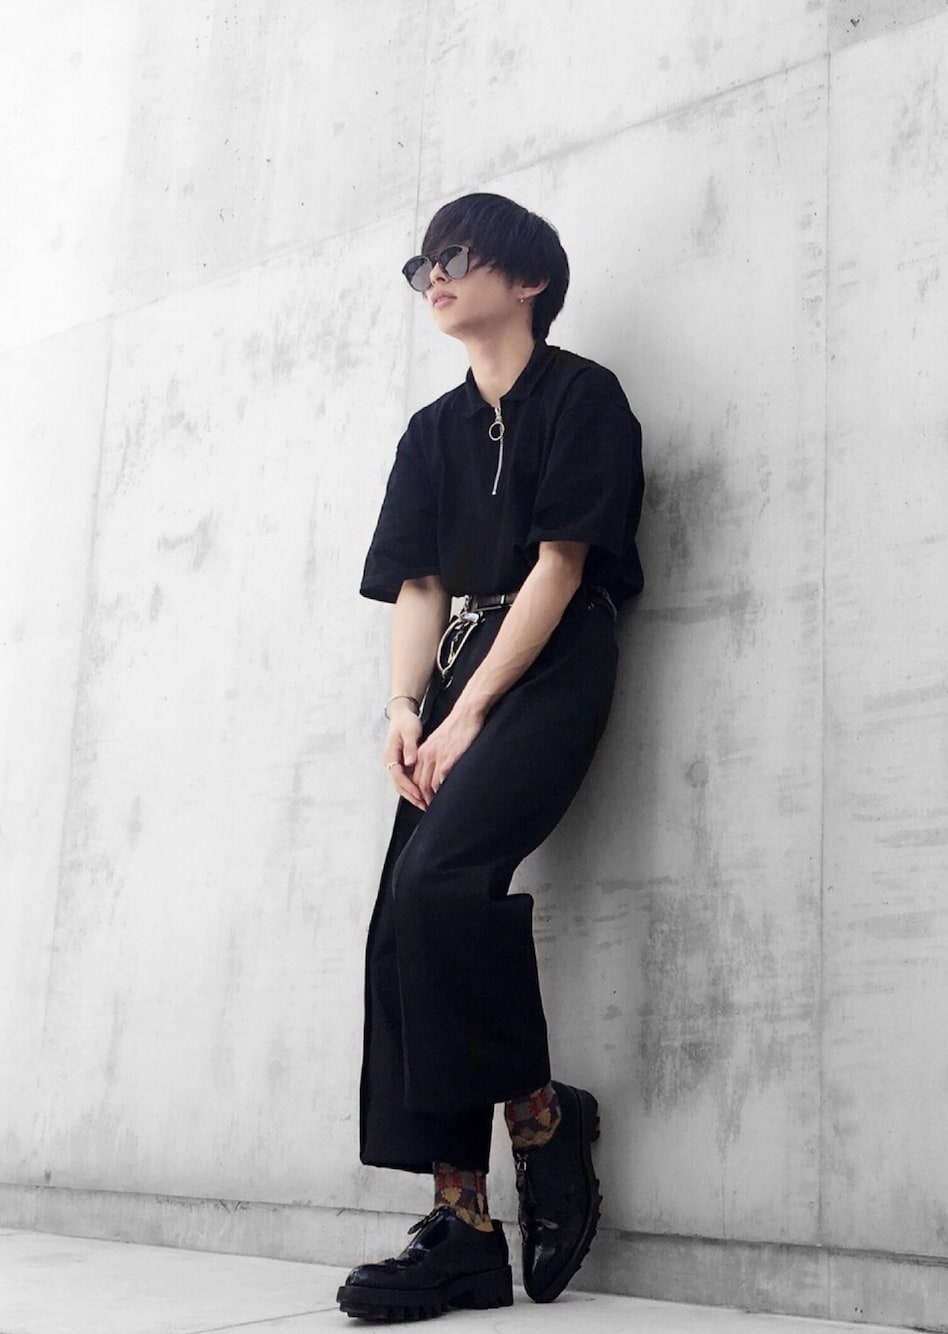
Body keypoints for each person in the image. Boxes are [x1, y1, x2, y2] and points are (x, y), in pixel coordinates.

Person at [337, 193, 644, 1322]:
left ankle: (542, 1123)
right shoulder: (431, 433)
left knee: (440, 881)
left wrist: (469, 715)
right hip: (459, 670)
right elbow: (419, 584)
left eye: (456, 256)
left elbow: (561, 568)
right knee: (403, 918)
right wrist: (405, 707)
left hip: (554, 659)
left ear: (528, 279)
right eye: (421, 262)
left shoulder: (584, 397)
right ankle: (463, 1222)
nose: (433, 276)